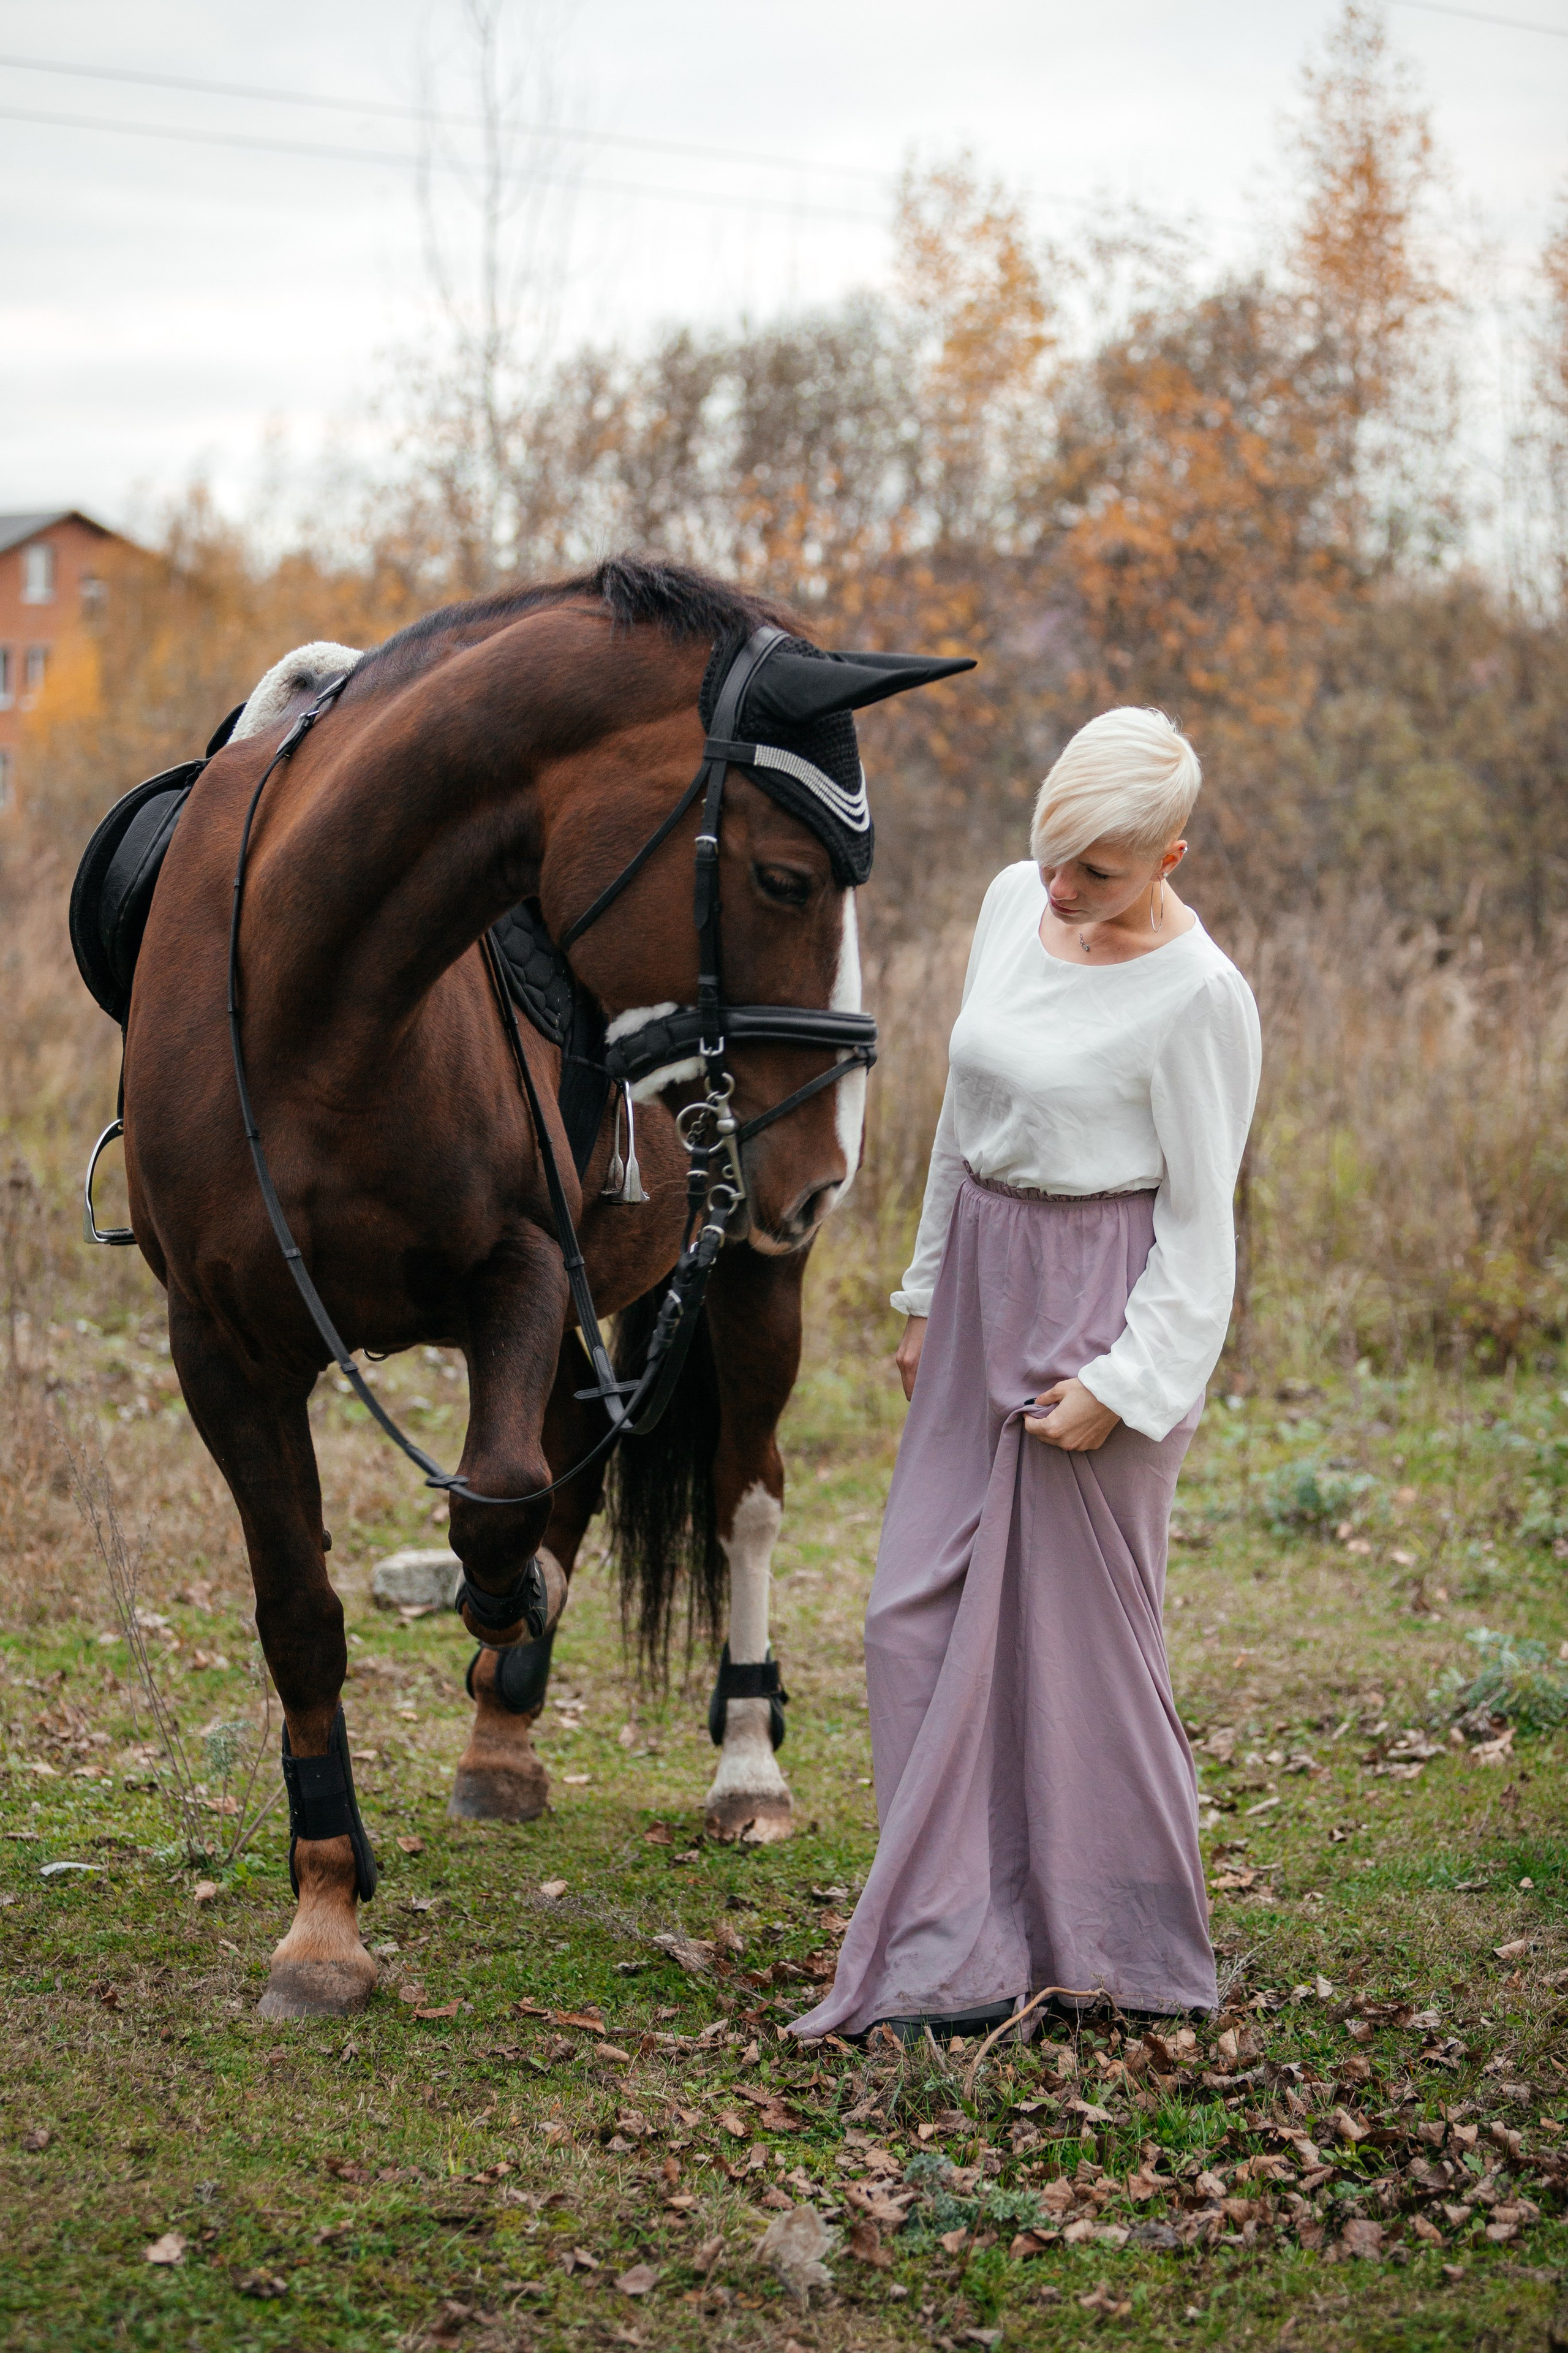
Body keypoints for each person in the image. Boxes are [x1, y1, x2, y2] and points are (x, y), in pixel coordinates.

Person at [791, 706, 1261, 2042]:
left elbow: (1199, 1226)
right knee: (910, 1613)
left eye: (1095, 873)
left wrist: (1123, 1381)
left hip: (1098, 1304)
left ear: (1168, 853)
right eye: (1051, 856)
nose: (1060, 890)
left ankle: (1111, 1947)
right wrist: (930, 1296)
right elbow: (960, 1119)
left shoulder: (1197, 996)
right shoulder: (1013, 903)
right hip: (985, 1288)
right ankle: (955, 1936)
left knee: (1078, 1649)